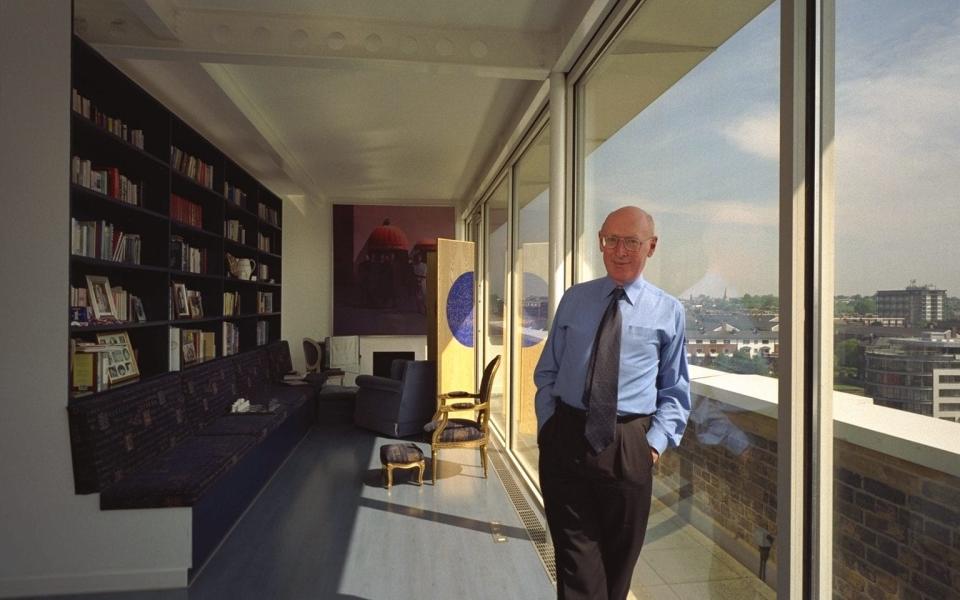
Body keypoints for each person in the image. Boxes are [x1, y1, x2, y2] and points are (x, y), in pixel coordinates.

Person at [534, 206, 691, 600]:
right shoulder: (575, 300)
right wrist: (548, 426)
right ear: (601, 241)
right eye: (612, 240)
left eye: (632, 242)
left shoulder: (669, 311)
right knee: (577, 570)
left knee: (617, 572)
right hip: (566, 439)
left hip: (628, 445)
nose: (620, 251)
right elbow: (547, 371)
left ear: (651, 247)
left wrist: (651, 447)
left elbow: (675, 391)